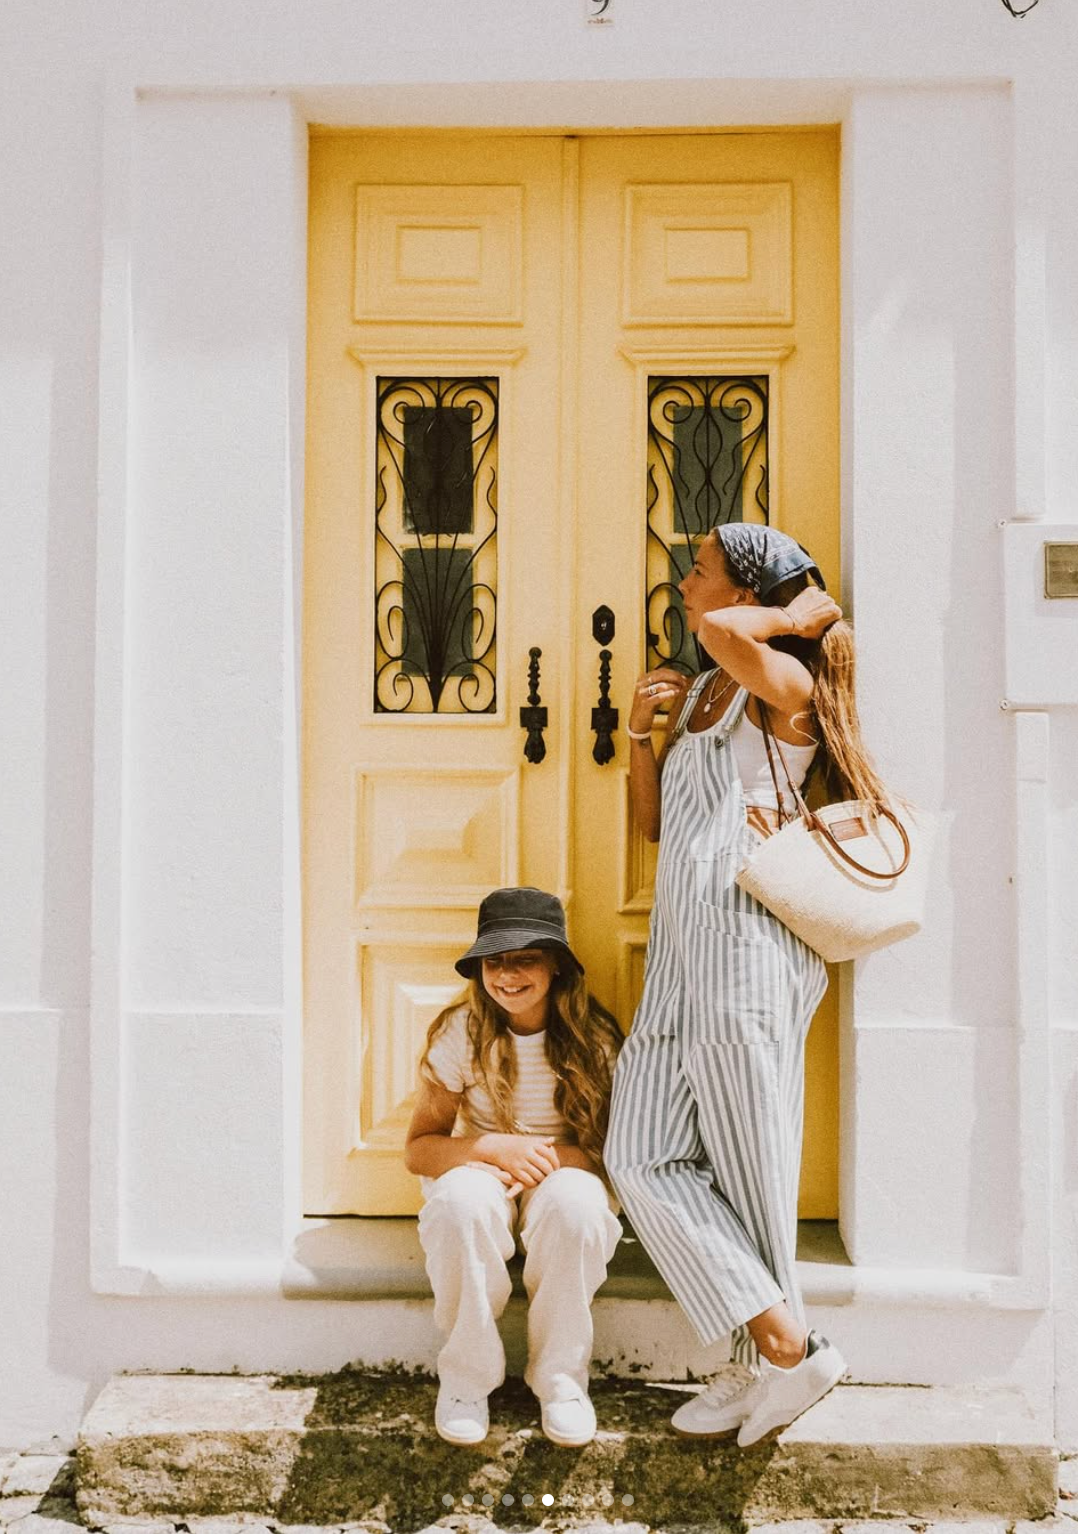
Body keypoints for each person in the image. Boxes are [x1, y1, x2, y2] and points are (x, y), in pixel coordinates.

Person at [605, 522, 891, 1448]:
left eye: (699, 571)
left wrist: (799, 615)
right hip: (679, 950)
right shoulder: (704, 693)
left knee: (748, 1165)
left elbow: (727, 631)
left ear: (749, 594)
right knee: (638, 1155)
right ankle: (787, 1346)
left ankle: (758, 1360)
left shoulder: (787, 685)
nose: (684, 584)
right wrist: (641, 733)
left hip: (749, 946)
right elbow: (653, 824)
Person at [404, 886, 623, 1449]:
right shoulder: (462, 1033)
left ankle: (561, 1378)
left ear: (555, 964)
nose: (506, 975)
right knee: (458, 1205)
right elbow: (421, 1149)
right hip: (486, 1171)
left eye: (524, 958)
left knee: (577, 1207)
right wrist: (493, 1148)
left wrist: (540, 1159)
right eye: (493, 961)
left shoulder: (593, 1040)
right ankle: (466, 1377)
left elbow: (615, 1154)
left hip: (565, 1173)